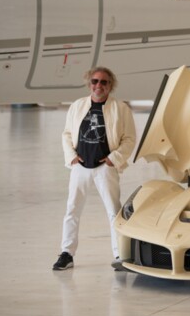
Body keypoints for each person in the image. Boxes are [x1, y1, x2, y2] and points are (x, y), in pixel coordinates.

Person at [53, 67, 136, 270]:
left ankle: (120, 255)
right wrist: (72, 158)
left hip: (105, 168)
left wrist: (113, 159)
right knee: (72, 210)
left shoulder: (121, 108)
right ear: (89, 83)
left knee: (113, 212)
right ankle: (67, 254)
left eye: (104, 82)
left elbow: (129, 139)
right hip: (80, 167)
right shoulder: (78, 106)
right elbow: (67, 134)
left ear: (110, 86)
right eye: (95, 81)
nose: (98, 85)